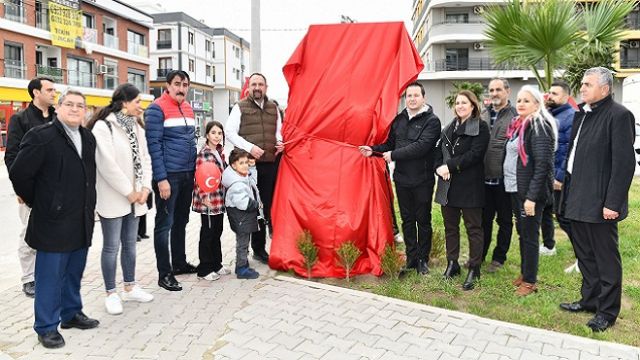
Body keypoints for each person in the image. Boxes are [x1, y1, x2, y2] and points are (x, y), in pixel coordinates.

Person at [9, 89, 99, 348]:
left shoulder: (88, 137)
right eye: (68, 104)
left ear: (85, 111)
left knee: (73, 272)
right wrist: (41, 202)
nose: (74, 109)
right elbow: (20, 174)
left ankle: (71, 314)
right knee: (49, 277)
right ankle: (46, 326)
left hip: (80, 218)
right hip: (52, 221)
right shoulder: (42, 136)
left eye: (79, 105)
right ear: (58, 108)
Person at [559, 67, 636, 332]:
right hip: (576, 195)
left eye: (587, 84)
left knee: (605, 259)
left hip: (600, 201)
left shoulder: (619, 115)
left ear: (605, 88)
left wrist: (613, 203)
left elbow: (624, 163)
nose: (582, 88)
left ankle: (607, 311)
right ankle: (589, 300)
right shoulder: (582, 113)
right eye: (582, 84)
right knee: (585, 254)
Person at [359, 82, 441, 275]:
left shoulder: (432, 121)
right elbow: (389, 144)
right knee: (407, 220)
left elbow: (421, 146)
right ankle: (411, 259)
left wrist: (394, 155)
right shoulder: (399, 119)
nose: (412, 99)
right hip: (402, 179)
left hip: (422, 180)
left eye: (416, 96)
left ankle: (423, 260)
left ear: (423, 98)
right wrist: (373, 151)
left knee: (423, 220)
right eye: (409, 96)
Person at [88, 84, 155, 315]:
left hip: (136, 198)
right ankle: (110, 292)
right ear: (124, 102)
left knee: (130, 245)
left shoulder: (137, 126)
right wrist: (129, 191)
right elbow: (107, 165)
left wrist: (145, 188)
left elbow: (146, 158)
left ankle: (130, 286)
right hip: (114, 196)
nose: (141, 106)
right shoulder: (103, 126)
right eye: (137, 101)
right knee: (111, 246)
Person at [145, 70, 198, 292]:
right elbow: (154, 146)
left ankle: (179, 263)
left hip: (187, 174)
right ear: (168, 85)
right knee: (164, 225)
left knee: (181, 221)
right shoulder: (156, 109)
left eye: (185, 84)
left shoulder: (188, 108)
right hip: (169, 176)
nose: (181, 88)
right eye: (177, 84)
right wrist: (161, 179)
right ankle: (164, 274)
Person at [4, 77, 57, 298]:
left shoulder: (59, 117)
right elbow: (12, 156)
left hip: (57, 189)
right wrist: (20, 189)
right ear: (36, 92)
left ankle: (50, 274)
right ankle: (29, 278)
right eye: (50, 89)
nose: (54, 93)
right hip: (31, 190)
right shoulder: (20, 119)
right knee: (29, 234)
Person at [504, 85, 557, 296]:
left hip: (531, 194)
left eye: (526, 100)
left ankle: (530, 281)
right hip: (517, 189)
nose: (521, 104)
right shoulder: (521, 124)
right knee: (523, 234)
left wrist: (531, 198)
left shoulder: (539, 125)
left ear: (537, 104)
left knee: (530, 236)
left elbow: (543, 165)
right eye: (519, 100)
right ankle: (525, 273)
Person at [225, 73, 283, 265]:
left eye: (261, 84)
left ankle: (259, 249)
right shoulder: (240, 107)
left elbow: (278, 131)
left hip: (270, 164)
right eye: (254, 84)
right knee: (252, 207)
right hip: (248, 166)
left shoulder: (273, 107)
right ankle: (246, 249)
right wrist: (250, 148)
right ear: (248, 87)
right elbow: (229, 132)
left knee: (266, 206)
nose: (257, 87)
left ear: (266, 87)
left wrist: (280, 142)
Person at [434, 90, 490, 290]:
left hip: (469, 187)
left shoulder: (481, 127)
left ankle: (474, 268)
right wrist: (439, 168)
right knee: (450, 228)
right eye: (457, 103)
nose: (460, 106)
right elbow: (437, 153)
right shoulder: (448, 128)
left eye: (464, 103)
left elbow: (475, 155)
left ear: (473, 106)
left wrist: (449, 166)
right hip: (447, 187)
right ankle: (452, 263)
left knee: (473, 229)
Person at [481, 78, 518, 273]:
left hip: (504, 180)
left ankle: (499, 258)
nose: (494, 93)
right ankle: (479, 256)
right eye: (491, 90)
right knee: (483, 220)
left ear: (507, 92)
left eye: (498, 90)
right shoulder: (482, 114)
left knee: (504, 220)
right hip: (484, 179)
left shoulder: (515, 116)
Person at [539, 81, 577, 262]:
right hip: (547, 174)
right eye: (549, 93)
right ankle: (548, 245)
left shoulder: (571, 117)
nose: (550, 96)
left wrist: (560, 177)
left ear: (566, 96)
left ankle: (583, 256)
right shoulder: (550, 114)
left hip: (559, 177)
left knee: (563, 217)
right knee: (546, 210)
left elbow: (568, 150)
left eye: (554, 93)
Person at [192, 121, 231, 281]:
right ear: (207, 135)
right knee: (207, 233)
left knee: (217, 231)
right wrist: (203, 197)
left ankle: (217, 264)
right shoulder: (204, 153)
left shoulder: (220, 152)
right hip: (208, 200)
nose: (217, 136)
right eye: (213, 133)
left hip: (219, 200)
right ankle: (204, 268)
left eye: (219, 133)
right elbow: (199, 175)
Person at [221, 149, 262, 279]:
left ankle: (243, 264)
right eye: (241, 163)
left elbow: (252, 180)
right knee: (242, 244)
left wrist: (253, 167)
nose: (245, 165)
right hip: (241, 217)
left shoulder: (243, 175)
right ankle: (241, 268)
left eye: (246, 162)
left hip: (243, 218)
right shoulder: (237, 184)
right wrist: (256, 204)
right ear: (233, 165)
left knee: (244, 242)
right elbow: (243, 203)